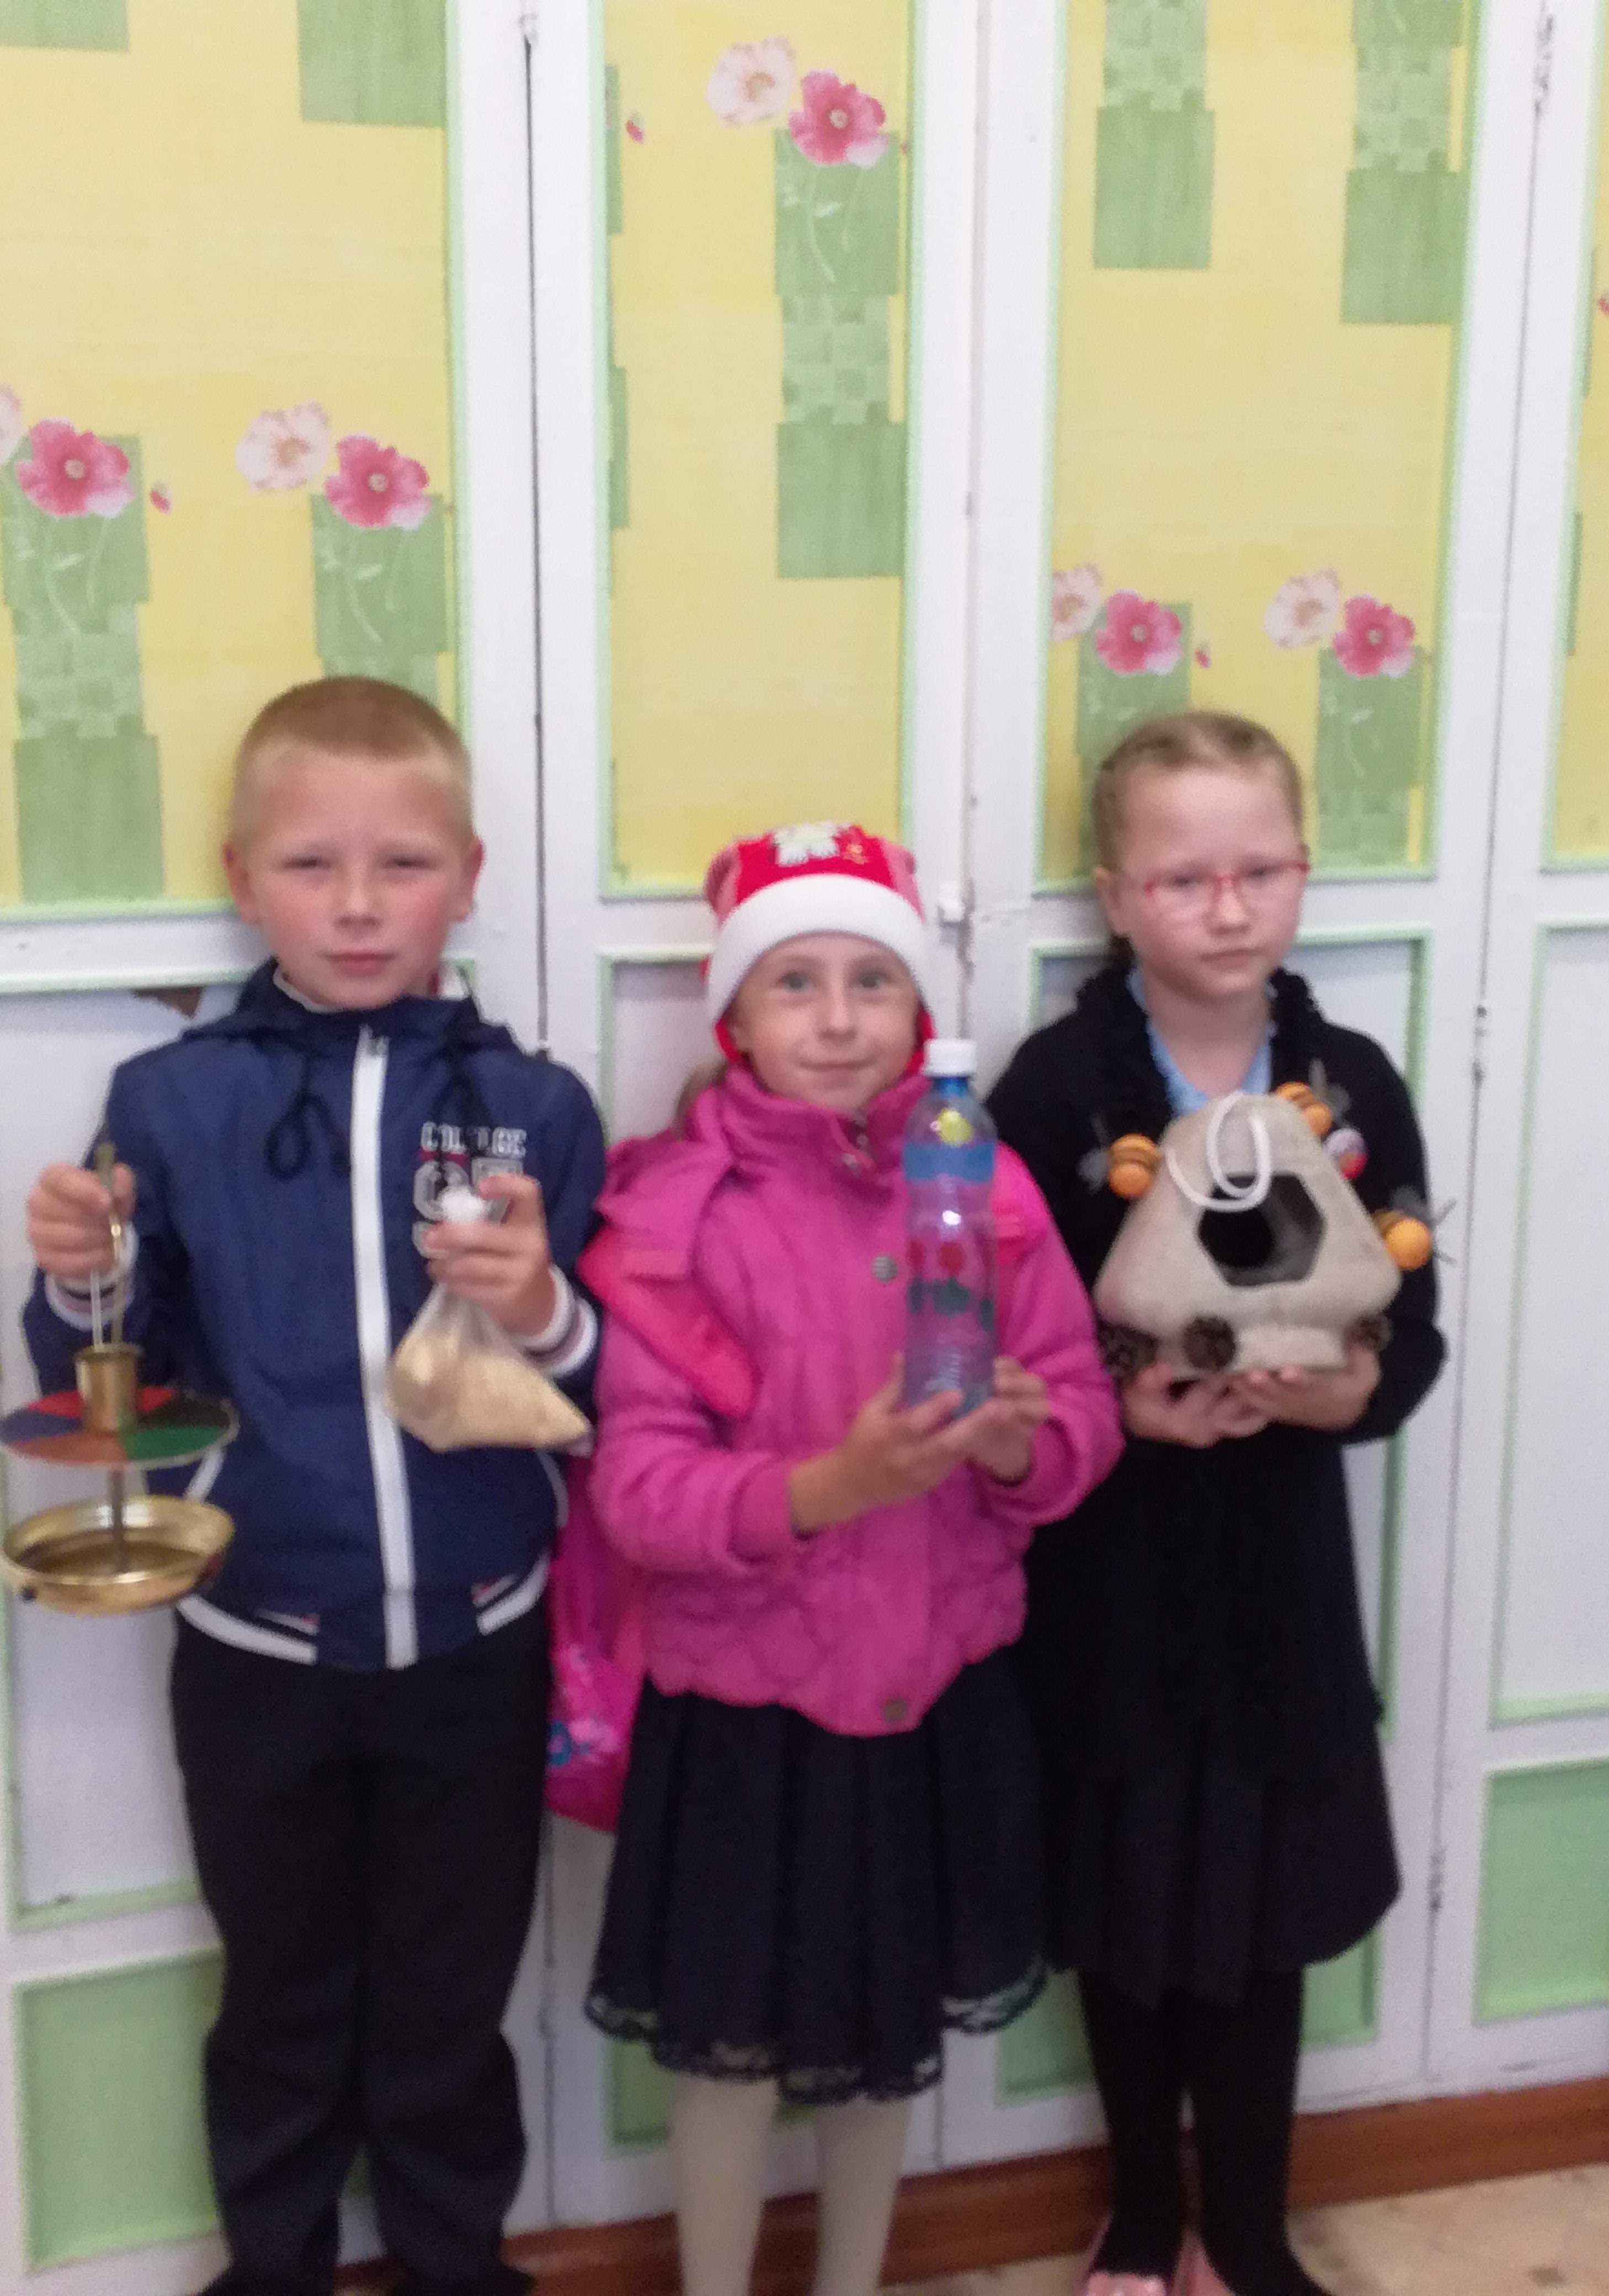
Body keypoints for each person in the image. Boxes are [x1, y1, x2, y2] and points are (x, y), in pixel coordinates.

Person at [24, 677, 606, 2296]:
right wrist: (81, 1273)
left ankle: (453, 2262)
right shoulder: (173, 1100)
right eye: (310, 865)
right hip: (255, 1639)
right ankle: (271, 2267)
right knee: (279, 1997)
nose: (358, 905)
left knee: (449, 2000)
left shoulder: (536, 1109)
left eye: (403, 864)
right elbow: (116, 1373)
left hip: (478, 1640)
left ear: (468, 877)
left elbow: (603, 1388)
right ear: (241, 879)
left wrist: (542, 1309)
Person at [581, 823, 1122, 2296]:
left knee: (886, 2046)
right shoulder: (680, 1215)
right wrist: (828, 1487)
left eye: (873, 981)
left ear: (920, 1010)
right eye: (797, 982)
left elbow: (1081, 1415)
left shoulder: (989, 1190)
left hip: (933, 1692)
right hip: (747, 1711)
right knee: (730, 2054)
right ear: (737, 1020)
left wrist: (1013, 1449)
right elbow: (639, 1490)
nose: (838, 1018)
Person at [988, 714, 1445, 2296]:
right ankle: (1136, 2211)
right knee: (1126, 1906)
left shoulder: (1351, 1083)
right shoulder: (1058, 1089)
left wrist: (1352, 1392)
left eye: (1261, 869)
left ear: (1304, 873)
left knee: (1259, 1914)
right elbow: (1016, 1332)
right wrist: (1119, 1405)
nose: (1228, 906)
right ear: (1117, 898)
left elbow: (1410, 1321)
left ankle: (1243, 2230)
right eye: (1184, 878)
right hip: (1113, 1566)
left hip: (1279, 1572)